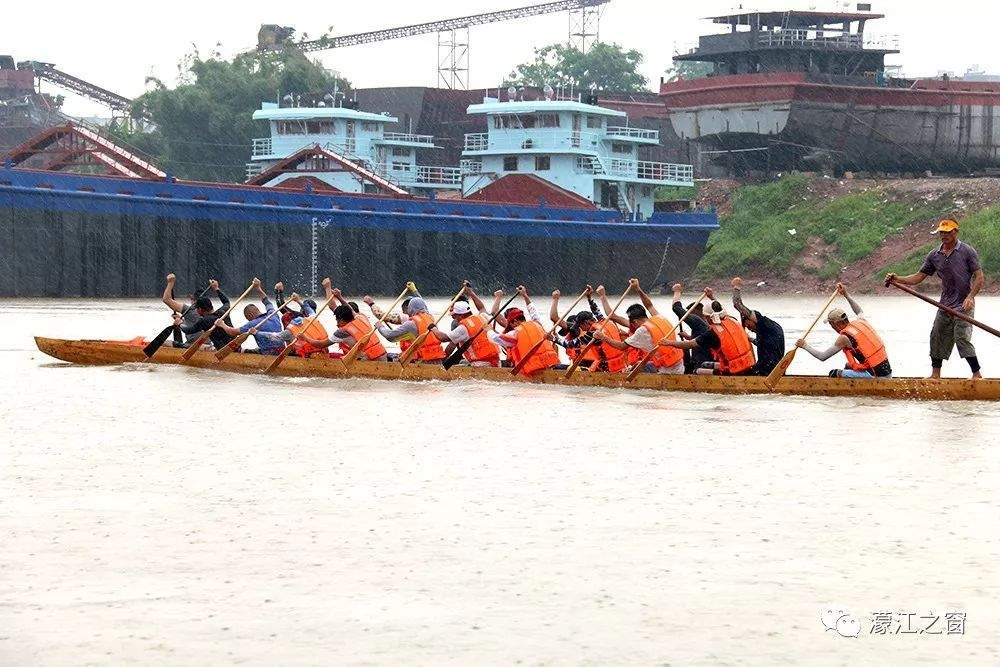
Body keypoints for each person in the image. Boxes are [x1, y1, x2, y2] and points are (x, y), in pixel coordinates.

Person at [886, 218, 984, 379]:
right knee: (936, 337)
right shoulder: (934, 255)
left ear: (955, 232)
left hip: (964, 305)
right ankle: (935, 375)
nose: (944, 235)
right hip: (945, 305)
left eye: (947, 232)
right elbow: (918, 277)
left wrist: (971, 297)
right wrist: (897, 279)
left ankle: (977, 375)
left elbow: (979, 277)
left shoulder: (967, 251)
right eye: (941, 232)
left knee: (962, 339)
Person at [796, 283, 892, 379]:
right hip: (887, 374)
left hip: (876, 376)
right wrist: (846, 295)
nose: (831, 327)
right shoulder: (861, 322)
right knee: (848, 366)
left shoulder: (843, 339)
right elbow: (859, 311)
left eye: (831, 324)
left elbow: (822, 357)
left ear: (836, 323)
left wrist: (805, 346)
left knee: (833, 373)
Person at [592, 279, 685, 375]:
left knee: (632, 370)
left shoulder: (642, 330)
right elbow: (649, 305)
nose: (631, 325)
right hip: (679, 366)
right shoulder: (658, 318)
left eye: (631, 322)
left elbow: (622, 346)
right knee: (638, 365)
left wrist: (603, 337)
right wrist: (638, 288)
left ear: (635, 321)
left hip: (666, 371)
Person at [660, 288, 756, 376]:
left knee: (696, 371)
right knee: (705, 364)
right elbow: (719, 309)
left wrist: (668, 343)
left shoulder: (712, 333)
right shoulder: (731, 319)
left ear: (709, 317)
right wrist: (711, 297)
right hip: (747, 364)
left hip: (731, 370)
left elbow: (689, 344)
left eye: (706, 316)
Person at [488, 286, 561, 376]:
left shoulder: (515, 333)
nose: (508, 324)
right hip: (548, 366)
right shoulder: (537, 324)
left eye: (509, 322)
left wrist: (488, 330)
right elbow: (533, 312)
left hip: (530, 370)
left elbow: (495, 337)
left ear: (514, 321)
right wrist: (525, 295)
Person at [429, 285, 501, 367]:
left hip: (480, 364)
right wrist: (470, 292)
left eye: (454, 315)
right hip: (497, 362)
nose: (453, 318)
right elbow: (481, 308)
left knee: (455, 368)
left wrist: (433, 328)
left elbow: (443, 338)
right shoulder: (482, 317)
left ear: (460, 315)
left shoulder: (463, 327)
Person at [212, 278, 285, 355]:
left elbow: (232, 332)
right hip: (282, 350)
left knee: (241, 352)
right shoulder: (272, 313)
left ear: (250, 315)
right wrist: (258, 288)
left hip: (269, 353)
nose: (249, 321)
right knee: (254, 349)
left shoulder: (253, 324)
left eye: (248, 319)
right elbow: (266, 301)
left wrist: (222, 324)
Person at [730, 277, 786, 375]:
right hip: (767, 369)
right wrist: (750, 339)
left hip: (769, 371)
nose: (749, 329)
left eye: (748, 325)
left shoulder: (765, 324)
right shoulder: (764, 332)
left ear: (752, 319)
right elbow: (764, 344)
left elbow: (737, 305)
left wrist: (736, 287)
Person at [377, 296, 446, 362]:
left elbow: (390, 337)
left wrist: (380, 327)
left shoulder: (411, 324)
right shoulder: (432, 319)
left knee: (389, 357)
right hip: (437, 359)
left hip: (421, 361)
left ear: (410, 309)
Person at [172, 279, 235, 351]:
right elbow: (226, 301)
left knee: (167, 343)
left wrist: (180, 324)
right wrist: (216, 289)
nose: (196, 311)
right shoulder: (223, 311)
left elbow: (188, 330)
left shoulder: (204, 321)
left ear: (200, 309)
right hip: (235, 346)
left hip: (222, 351)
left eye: (197, 309)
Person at [671, 283, 712, 373]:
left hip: (701, 365)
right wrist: (689, 337)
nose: (689, 315)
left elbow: (676, 308)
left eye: (691, 313)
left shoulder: (698, 322)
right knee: (684, 348)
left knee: (683, 348)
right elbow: (703, 341)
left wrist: (677, 292)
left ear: (697, 311)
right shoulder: (709, 326)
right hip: (704, 362)